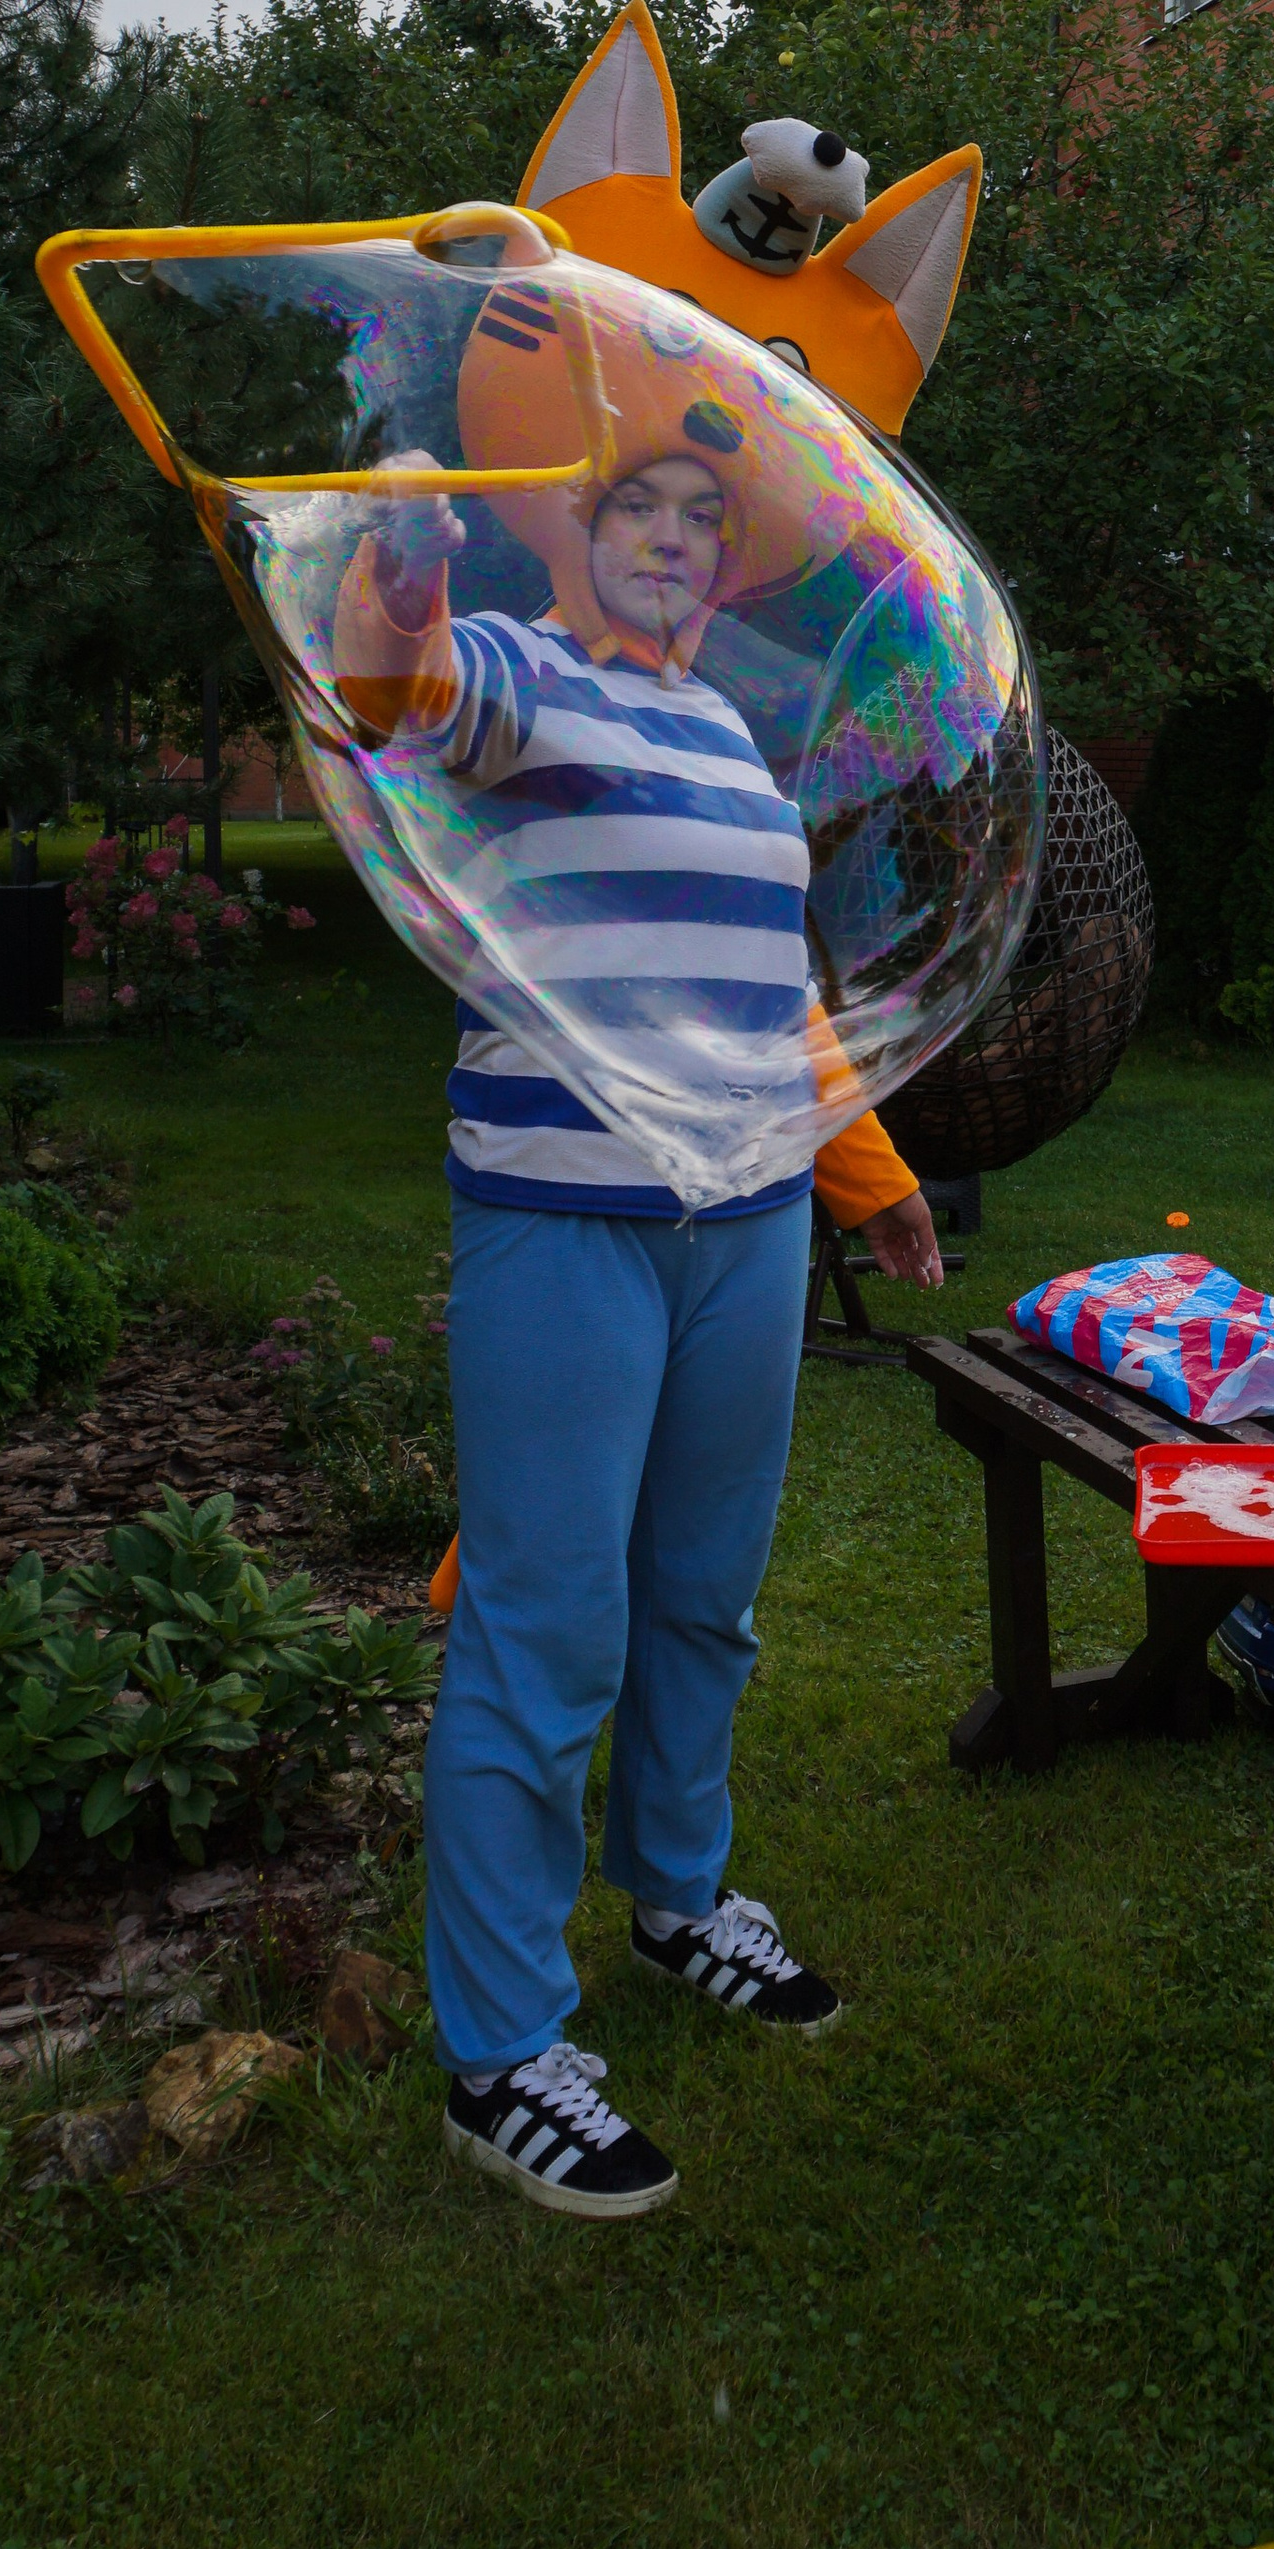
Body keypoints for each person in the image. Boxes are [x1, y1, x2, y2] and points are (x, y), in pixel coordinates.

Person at [337, 399, 942, 2224]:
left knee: (703, 1598)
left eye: (701, 514)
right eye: (637, 508)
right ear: (574, 535)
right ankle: (503, 2052)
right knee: (543, 1628)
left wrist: (870, 1177)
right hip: (562, 1222)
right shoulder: (519, 676)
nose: (674, 535)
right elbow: (392, 688)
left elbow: (769, 997)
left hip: (744, 1225)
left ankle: (678, 1898)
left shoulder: (726, 733)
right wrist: (403, 568)